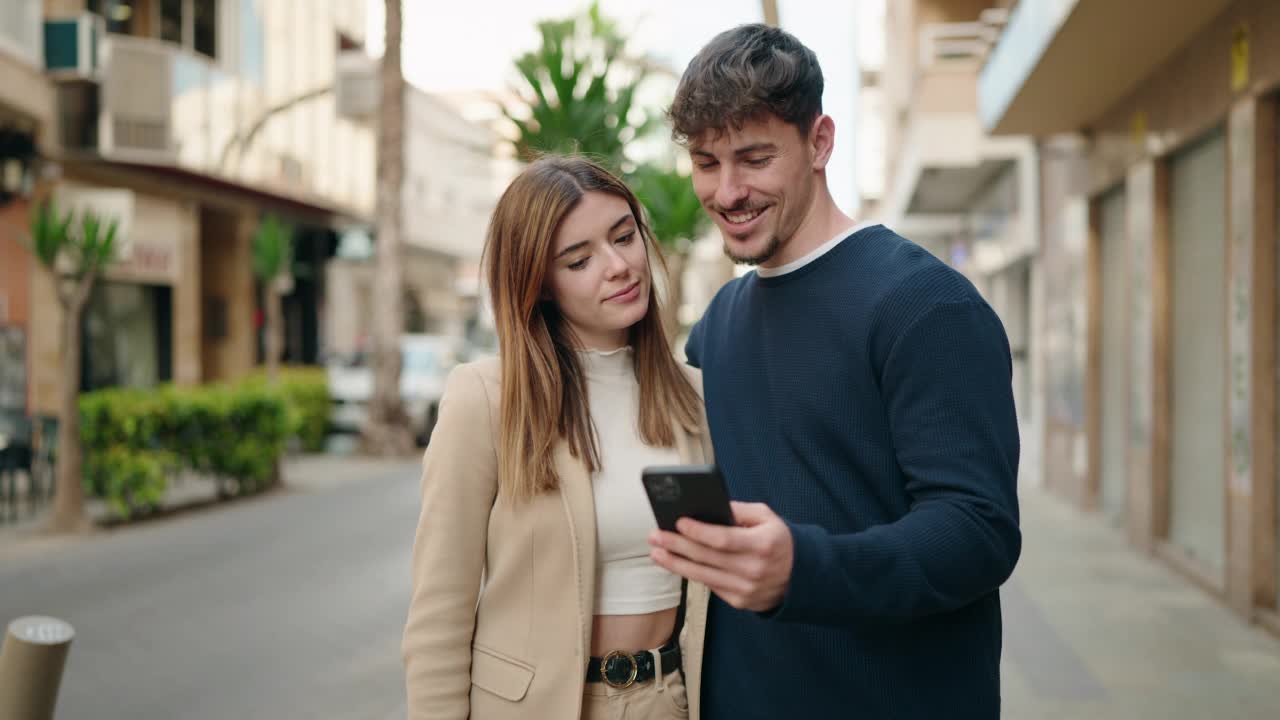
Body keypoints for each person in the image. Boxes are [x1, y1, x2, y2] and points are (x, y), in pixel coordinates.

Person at [646, 24, 1022, 720]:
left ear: (819, 142)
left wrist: (804, 569)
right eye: (705, 162)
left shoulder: (927, 304)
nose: (727, 191)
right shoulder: (719, 324)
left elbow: (978, 531)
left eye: (754, 158)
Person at [401, 155, 713, 719]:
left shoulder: (695, 395)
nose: (618, 266)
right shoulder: (486, 398)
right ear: (539, 284)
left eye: (625, 237)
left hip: (669, 700)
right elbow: (439, 617)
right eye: (579, 260)